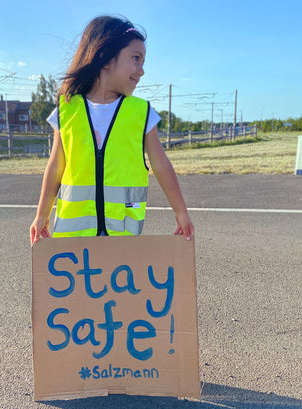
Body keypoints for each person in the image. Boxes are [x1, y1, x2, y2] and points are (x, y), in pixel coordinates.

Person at [30, 15, 194, 244]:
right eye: (136, 58)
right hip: (72, 233)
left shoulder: (141, 113)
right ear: (105, 57)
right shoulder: (66, 110)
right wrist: (41, 215)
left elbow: (161, 164)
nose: (141, 70)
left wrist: (181, 211)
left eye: (143, 62)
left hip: (122, 232)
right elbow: (56, 165)